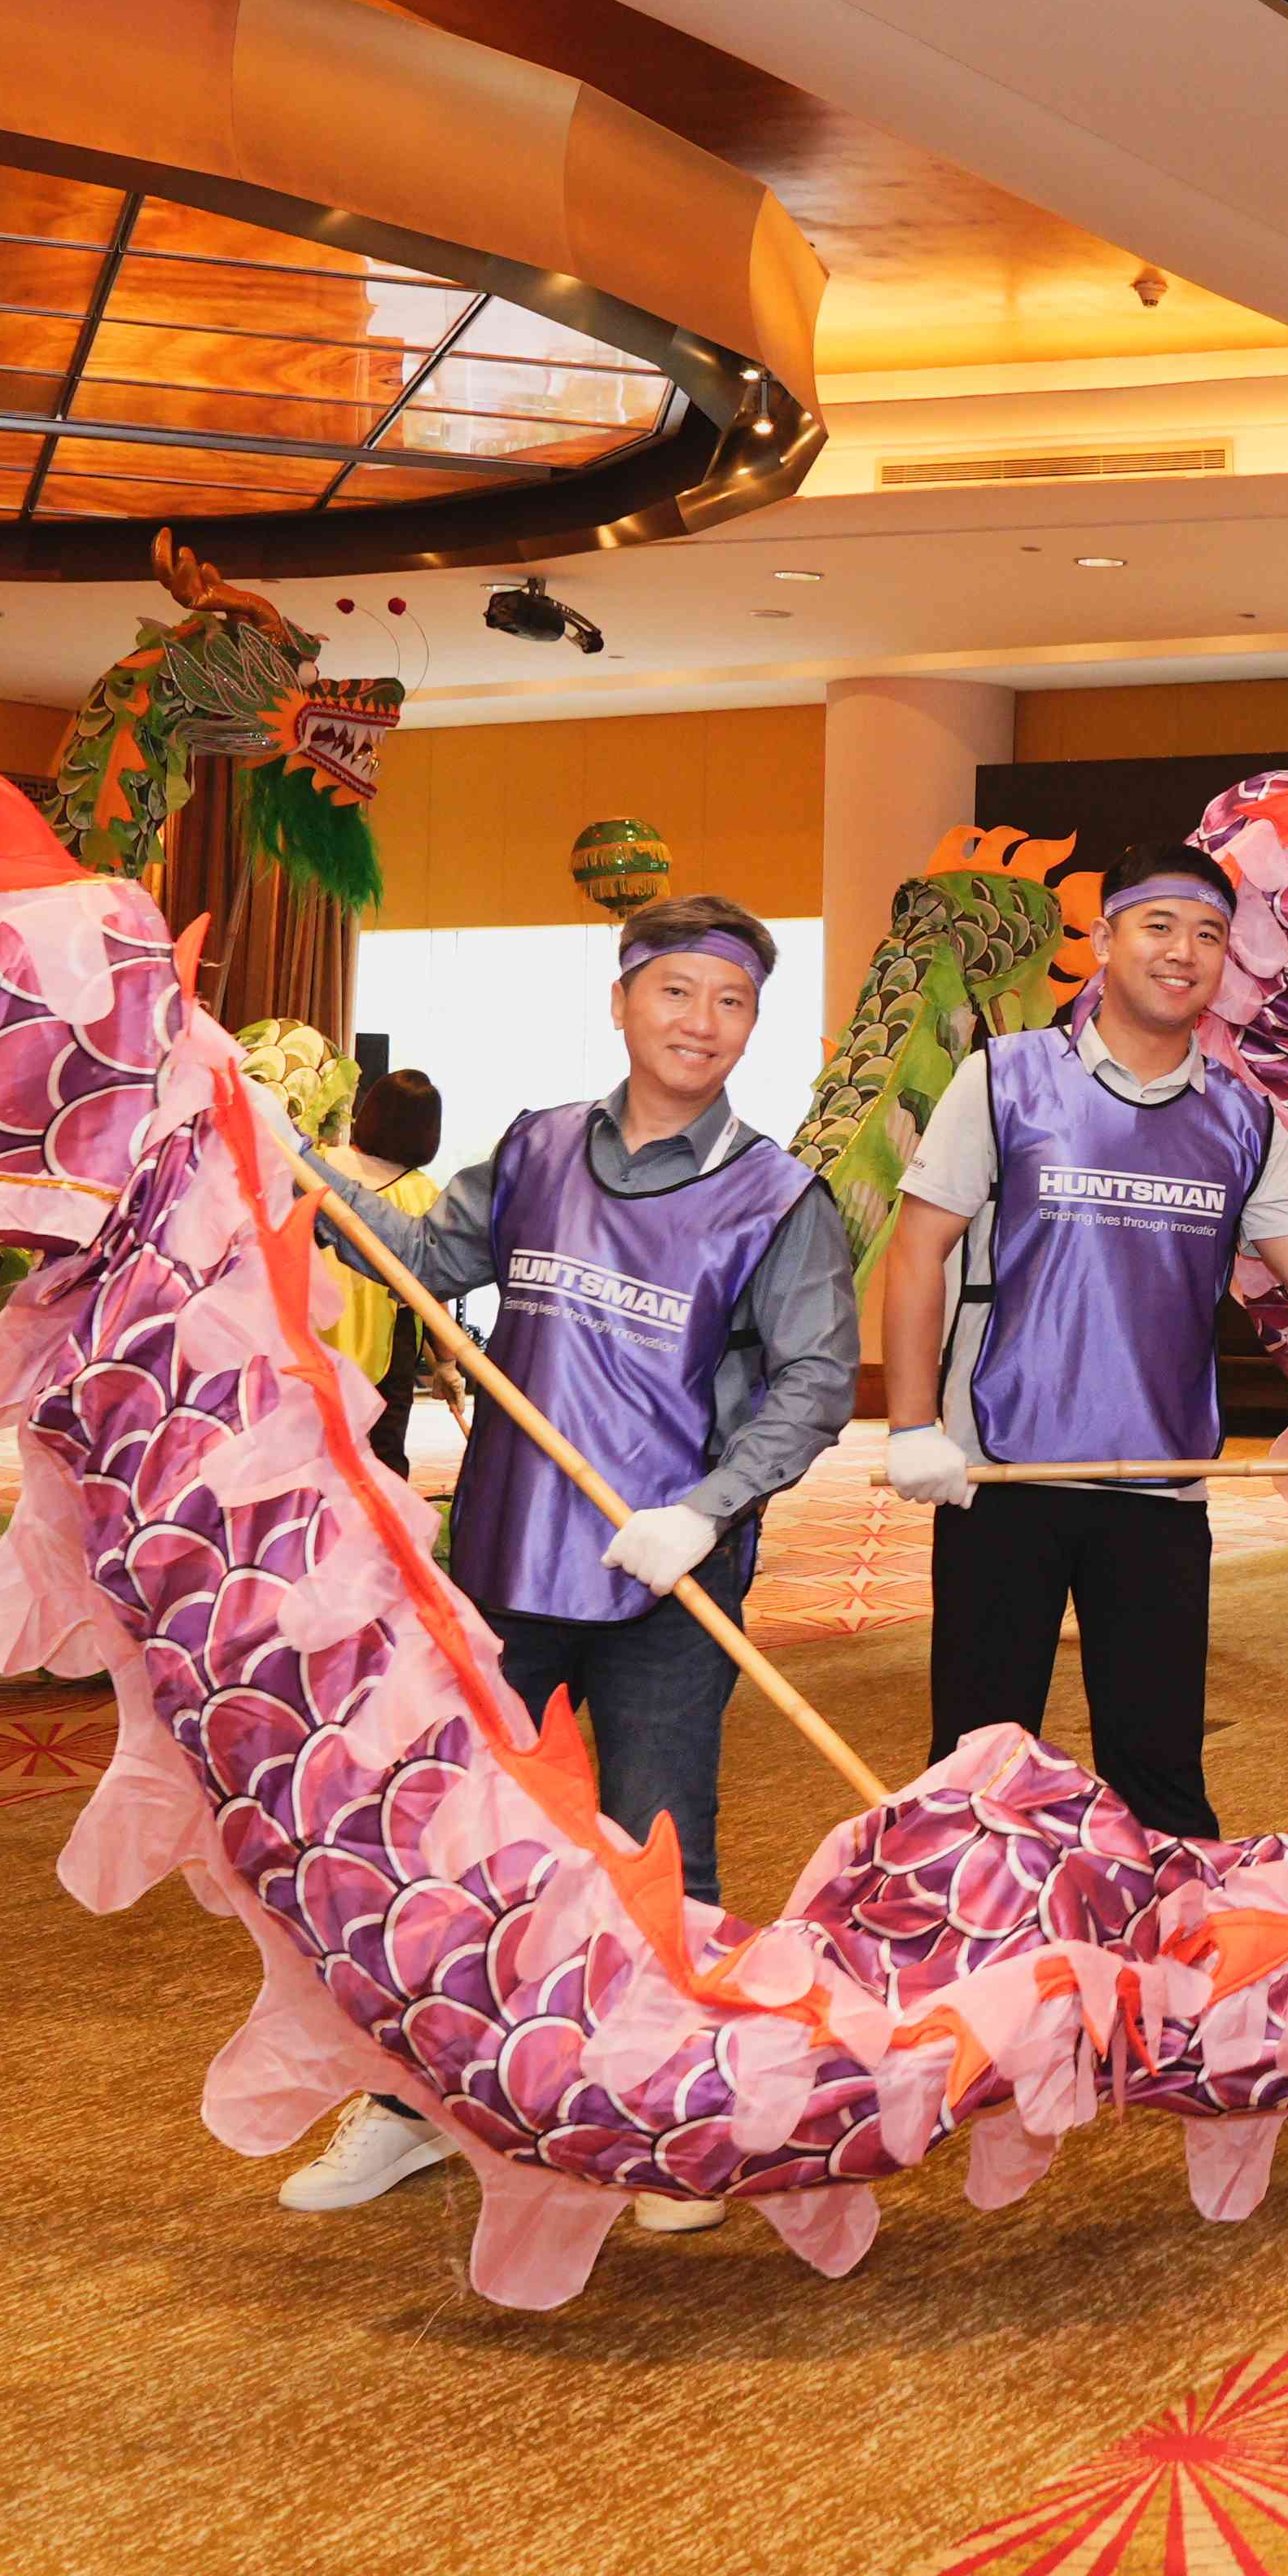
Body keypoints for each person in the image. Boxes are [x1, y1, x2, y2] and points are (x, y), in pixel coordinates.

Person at [291, 897, 861, 2236]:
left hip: (669, 1581)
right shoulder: (538, 1147)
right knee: (463, 1844)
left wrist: (705, 1512)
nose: (700, 1023)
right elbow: (424, 1262)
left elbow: (814, 1382)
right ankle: (418, 2107)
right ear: (621, 1002)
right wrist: (301, 1174)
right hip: (504, 1561)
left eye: (730, 1002)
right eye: (675, 992)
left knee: (660, 1845)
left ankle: (670, 2113)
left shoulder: (777, 1196)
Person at [880, 855, 1288, 1838]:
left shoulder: (1241, 1119)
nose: (1183, 952)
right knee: (975, 1769)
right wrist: (911, 1425)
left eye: (1208, 935)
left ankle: (1171, 1939)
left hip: (1158, 1485)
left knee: (1159, 1775)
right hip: (1002, 1473)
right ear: (1105, 940)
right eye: (1158, 925)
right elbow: (917, 1250)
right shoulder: (1005, 1079)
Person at [332, 1065, 451, 1482]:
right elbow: (434, 1286)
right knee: (381, 1458)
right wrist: (447, 1362)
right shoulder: (419, 1193)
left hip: (309, 1337)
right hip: (386, 1346)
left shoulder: (319, 1166)